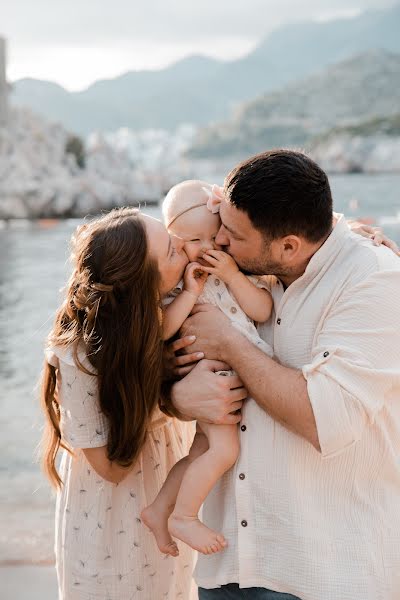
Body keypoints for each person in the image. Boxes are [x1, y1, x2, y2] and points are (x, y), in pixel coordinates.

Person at [163, 150, 400, 600]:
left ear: (289, 245)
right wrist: (175, 397)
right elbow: (162, 364)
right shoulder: (249, 264)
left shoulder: (375, 281)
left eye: (231, 235)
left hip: (323, 572)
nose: (219, 243)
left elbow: (323, 418)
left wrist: (228, 342)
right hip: (227, 562)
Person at [39, 207, 205, 600]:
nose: (183, 246)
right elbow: (110, 467)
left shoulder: (166, 307)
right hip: (111, 518)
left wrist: (344, 235)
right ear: (141, 286)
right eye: (170, 251)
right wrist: (170, 399)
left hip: (162, 500)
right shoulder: (79, 354)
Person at [142, 180, 273, 557]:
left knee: (202, 450)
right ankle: (184, 516)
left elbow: (262, 311)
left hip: (226, 372)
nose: (207, 248)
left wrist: (232, 276)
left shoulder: (234, 274)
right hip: (210, 377)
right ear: (172, 242)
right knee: (225, 450)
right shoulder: (177, 286)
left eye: (213, 236)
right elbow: (164, 331)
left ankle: (159, 509)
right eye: (192, 242)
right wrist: (189, 294)